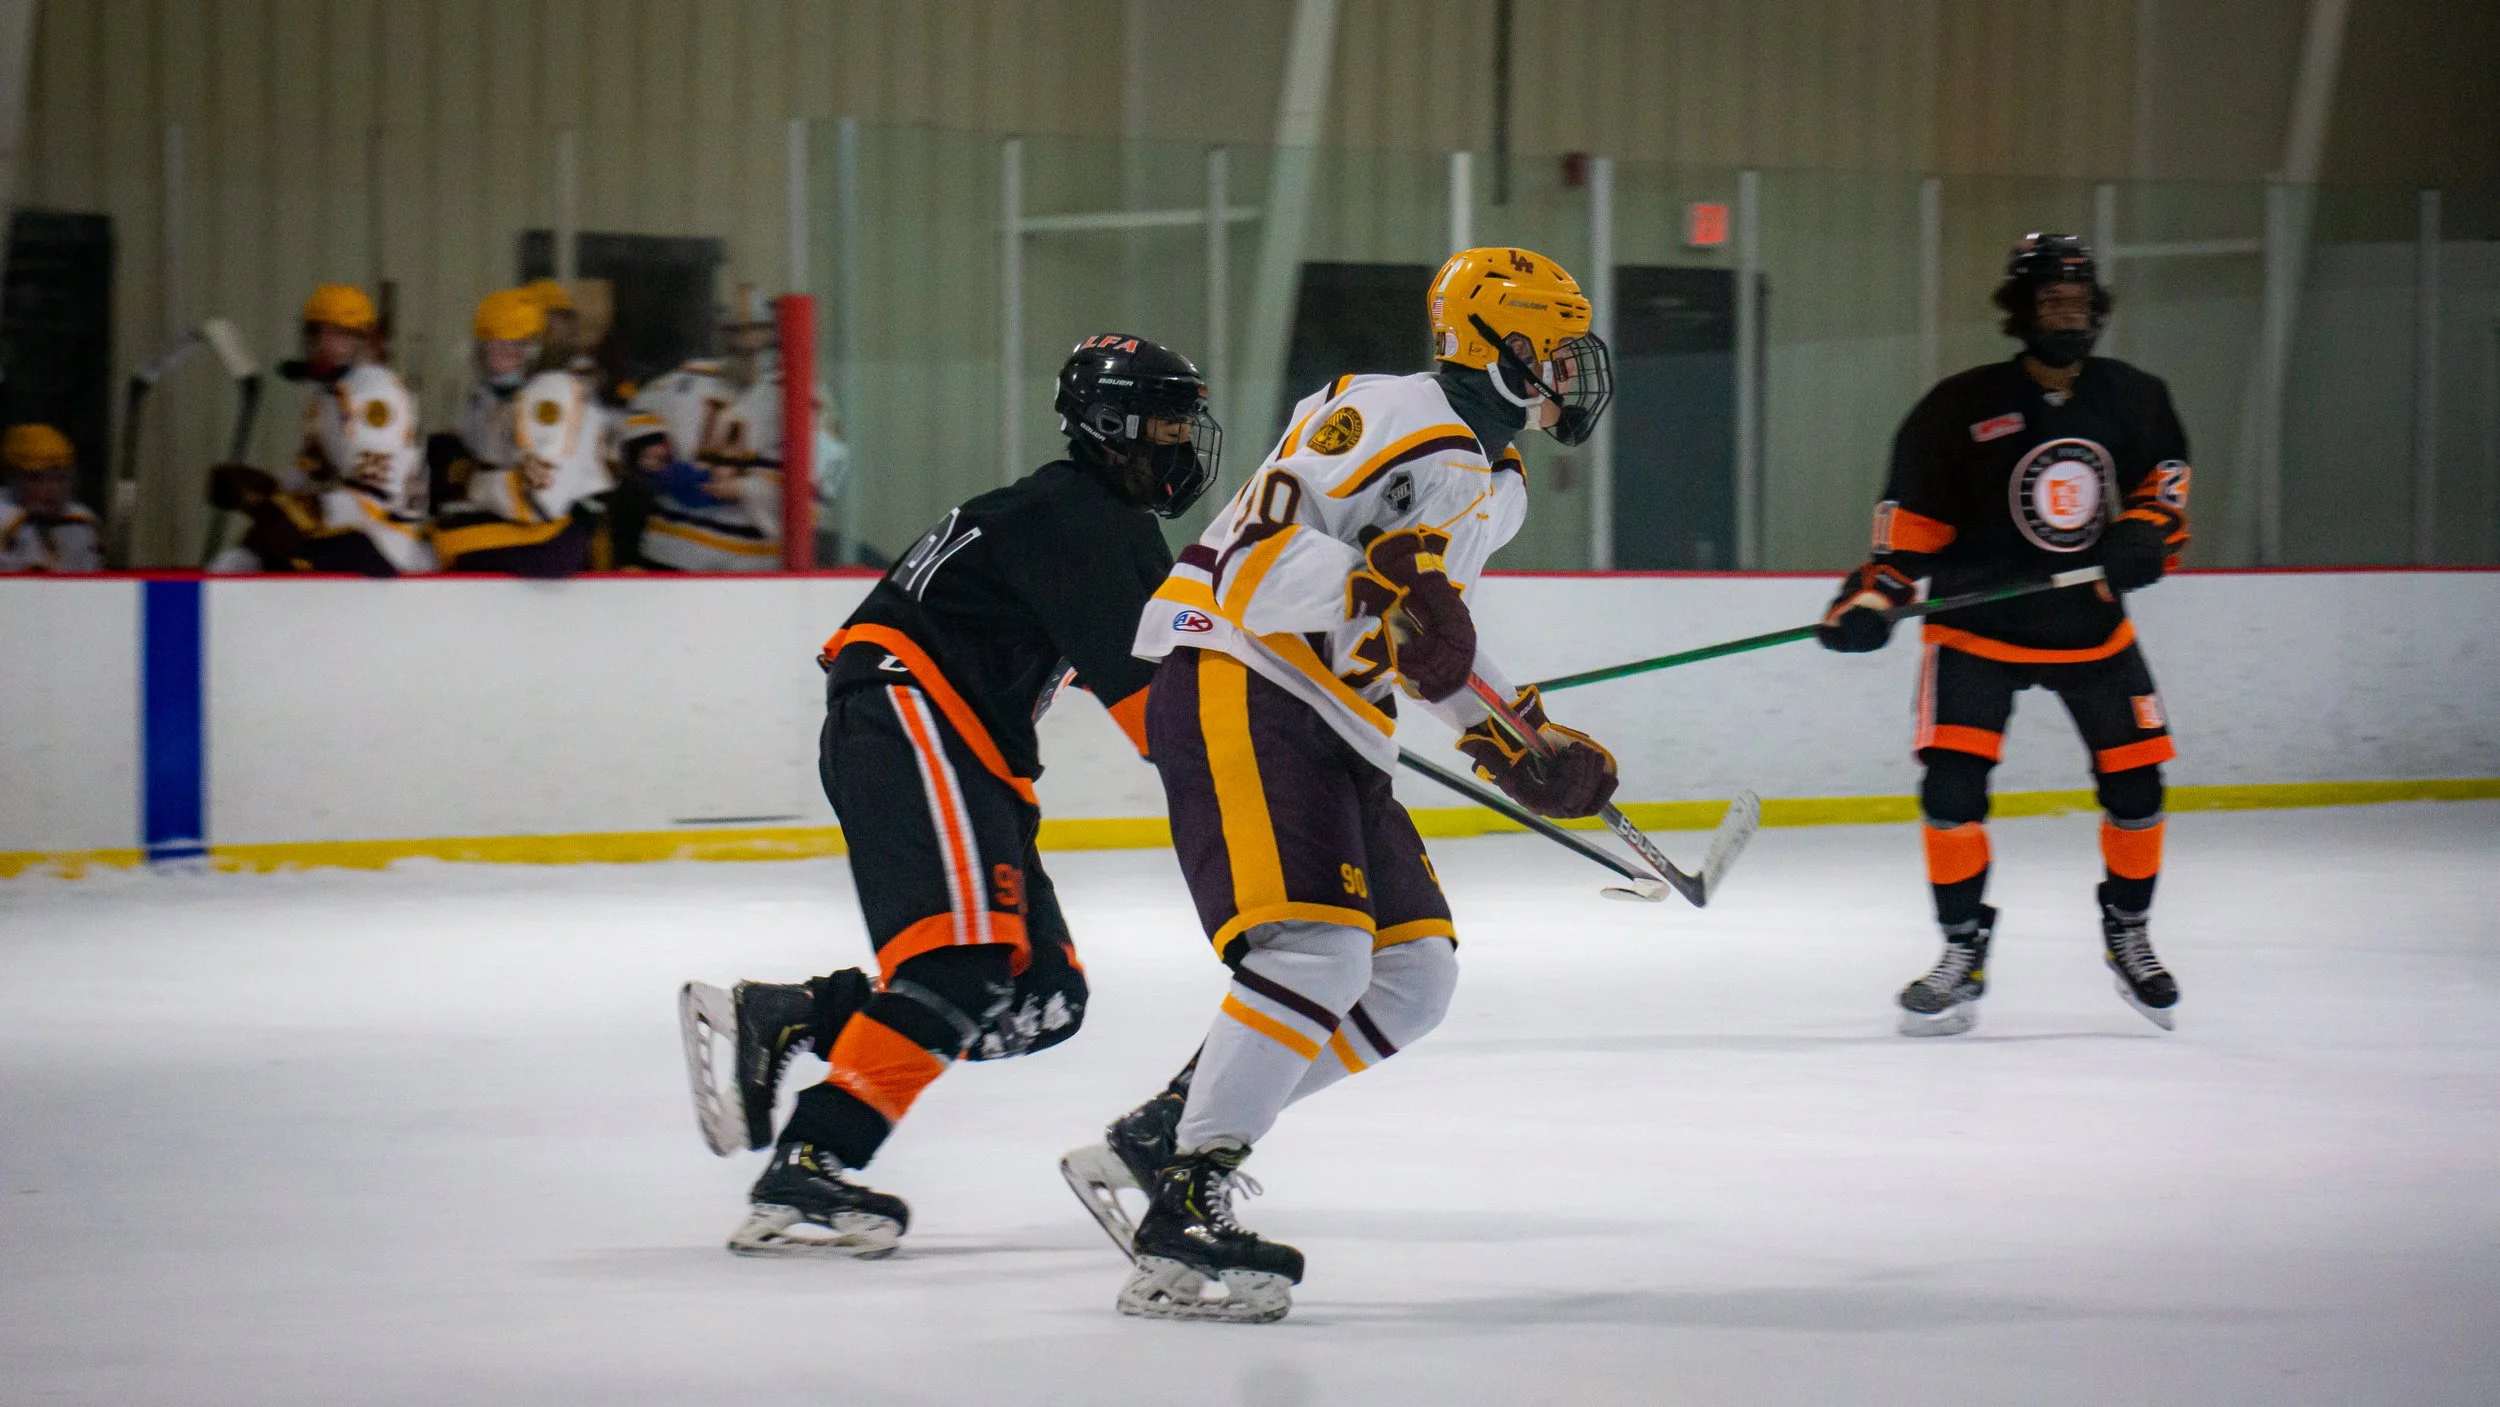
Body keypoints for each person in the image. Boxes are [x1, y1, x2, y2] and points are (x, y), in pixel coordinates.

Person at [1063, 247, 1622, 1324]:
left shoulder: (1495, 485)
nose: (1569, 372)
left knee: (1412, 984)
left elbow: (1427, 641)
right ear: (1492, 344)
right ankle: (1184, 1204)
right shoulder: (1387, 410)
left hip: (1339, 723)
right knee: (1317, 951)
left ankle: (1167, 1127)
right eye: (1552, 349)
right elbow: (1253, 560)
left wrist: (1517, 739)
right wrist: (1381, 585)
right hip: (1244, 679)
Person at [674, 334, 1222, 1258]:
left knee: (1040, 994)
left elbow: (1151, 669)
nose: (1182, 441)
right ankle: (813, 1163)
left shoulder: (1074, 514)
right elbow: (1157, 714)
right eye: (1167, 421)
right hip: (912, 712)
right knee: (963, 966)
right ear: (1113, 425)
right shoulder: (1090, 520)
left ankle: (802, 1013)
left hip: (941, 732)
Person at [1816, 232, 2192, 1037]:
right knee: (1951, 796)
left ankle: (2128, 929)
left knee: (2138, 790)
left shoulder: (2136, 398)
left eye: (2079, 302)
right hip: (1974, 631)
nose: (2068, 315)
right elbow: (1906, 536)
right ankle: (1962, 949)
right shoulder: (1956, 409)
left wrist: (2147, 535)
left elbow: (2164, 495)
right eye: (2052, 303)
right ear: (2021, 315)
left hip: (2091, 631)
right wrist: (1870, 600)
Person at [207, 284, 428, 575]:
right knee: (258, 544)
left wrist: (296, 513)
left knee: (283, 555)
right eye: (316, 333)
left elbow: (374, 499)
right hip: (351, 528)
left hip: (386, 538)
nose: (323, 344)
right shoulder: (328, 395)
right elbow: (310, 471)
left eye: (338, 334)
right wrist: (269, 498)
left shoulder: (376, 397)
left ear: (363, 341)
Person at [0, 423, 102, 572]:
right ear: (13, 480)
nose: (53, 489)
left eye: (61, 478)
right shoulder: (4, 518)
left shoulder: (83, 523)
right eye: (36, 478)